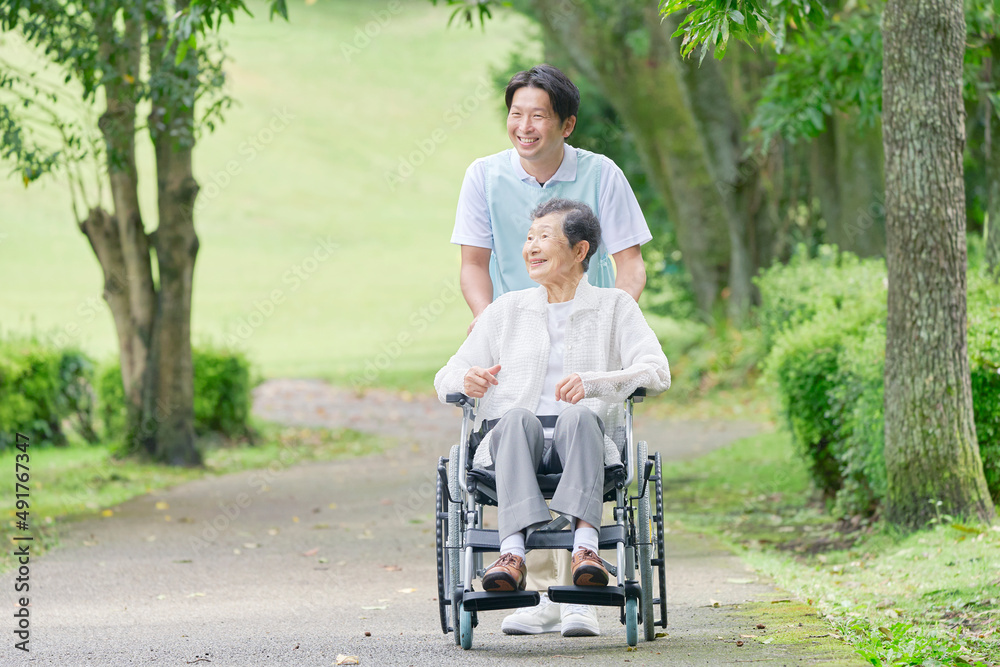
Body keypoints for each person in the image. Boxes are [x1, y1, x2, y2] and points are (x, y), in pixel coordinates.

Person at [450, 63, 653, 636]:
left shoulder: (602, 174)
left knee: (578, 423)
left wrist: (607, 321)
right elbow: (473, 265)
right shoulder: (484, 176)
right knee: (517, 424)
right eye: (516, 114)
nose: (525, 126)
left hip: (586, 327)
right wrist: (493, 329)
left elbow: (629, 264)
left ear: (566, 124)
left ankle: (577, 595)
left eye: (539, 115)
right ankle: (541, 596)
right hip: (514, 332)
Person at [434, 199, 670, 629]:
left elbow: (657, 371)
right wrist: (465, 379)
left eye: (545, 237)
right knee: (517, 418)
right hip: (512, 444)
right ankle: (511, 557)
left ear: (580, 252)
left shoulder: (615, 307)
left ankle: (586, 550)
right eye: (529, 238)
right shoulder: (506, 310)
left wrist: (595, 383)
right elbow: (446, 373)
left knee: (578, 416)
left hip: (584, 444)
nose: (532, 247)